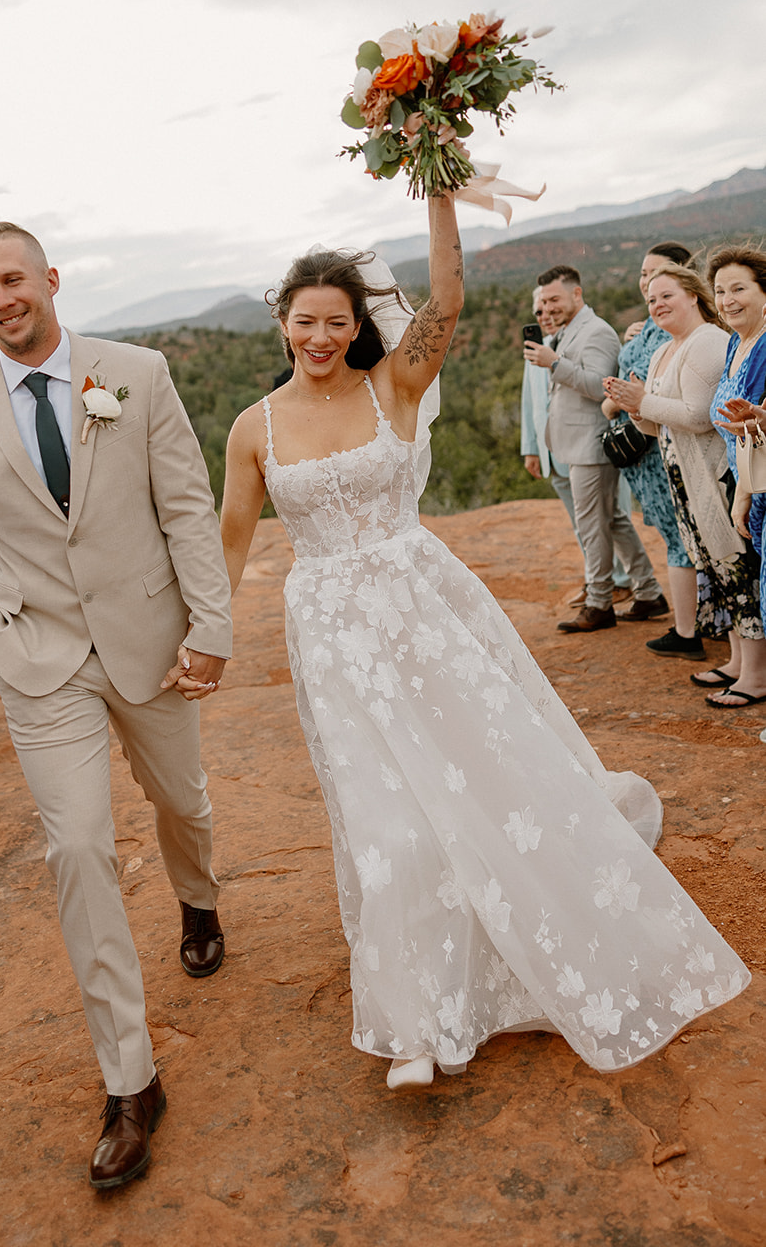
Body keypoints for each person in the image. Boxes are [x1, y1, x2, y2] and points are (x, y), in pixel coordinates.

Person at [220, 195, 749, 1093]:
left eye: (335, 322)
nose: (318, 336)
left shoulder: (392, 385)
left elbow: (450, 297)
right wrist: (202, 636)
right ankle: (421, 1016)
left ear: (356, 328)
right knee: (383, 811)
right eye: (303, 321)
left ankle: (529, 935)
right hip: (333, 633)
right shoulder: (252, 428)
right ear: (282, 324)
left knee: (482, 770)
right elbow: (232, 536)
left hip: (424, 611)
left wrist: (436, 183)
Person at [0, 221, 233, 1190]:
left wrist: (209, 626)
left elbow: (184, 503)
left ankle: (198, 895)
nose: (2, 297)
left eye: (13, 277)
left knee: (179, 800)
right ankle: (130, 1080)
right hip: (41, 662)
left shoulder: (133, 370)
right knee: (79, 847)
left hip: (148, 639)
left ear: (48, 278)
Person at [605, 265, 764, 681]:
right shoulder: (662, 351)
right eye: (651, 300)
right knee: (712, 567)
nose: (657, 305)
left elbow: (697, 417)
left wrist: (644, 400)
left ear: (693, 295)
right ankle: (735, 661)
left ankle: (755, 674)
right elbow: (659, 423)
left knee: (735, 570)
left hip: (713, 477)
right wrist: (635, 407)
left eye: (667, 296)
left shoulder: (708, 342)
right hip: (683, 480)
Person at [525, 267, 665, 633]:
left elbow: (604, 386)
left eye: (555, 299)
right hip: (577, 445)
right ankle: (649, 592)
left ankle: (600, 602)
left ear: (576, 294)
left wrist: (554, 363)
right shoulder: (567, 332)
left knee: (591, 525)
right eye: (544, 302)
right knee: (614, 520)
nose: (549, 307)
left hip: (592, 444)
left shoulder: (597, 331)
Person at [600, 244, 694, 629]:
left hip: (661, 450)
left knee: (680, 535)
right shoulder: (647, 326)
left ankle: (693, 624)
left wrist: (612, 405)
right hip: (644, 450)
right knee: (674, 534)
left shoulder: (668, 332)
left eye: (657, 275)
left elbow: (629, 392)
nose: (646, 282)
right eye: (643, 274)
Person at [521, 286, 632, 606]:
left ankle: (621, 581)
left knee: (609, 516)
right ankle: (597, 578)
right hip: (553, 449)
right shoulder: (535, 351)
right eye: (538, 310)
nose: (544, 315)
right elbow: (529, 401)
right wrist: (531, 447)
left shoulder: (580, 341)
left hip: (589, 446)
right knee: (582, 524)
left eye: (549, 306)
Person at [701, 249, 766, 705]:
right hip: (750, 481)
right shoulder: (734, 342)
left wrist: (742, 494)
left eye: (739, 288)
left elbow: (756, 427)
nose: (727, 300)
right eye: (720, 291)